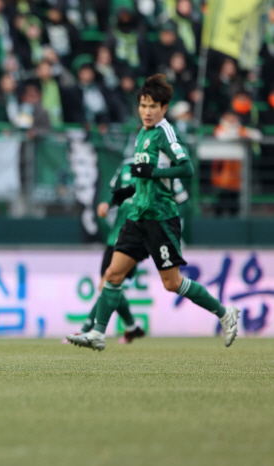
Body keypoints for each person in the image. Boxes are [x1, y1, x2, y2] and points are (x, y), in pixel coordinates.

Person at [67, 74, 240, 351]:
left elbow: (187, 168)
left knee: (172, 283)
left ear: (164, 108)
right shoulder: (142, 135)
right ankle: (98, 334)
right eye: (143, 105)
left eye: (153, 106)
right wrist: (114, 201)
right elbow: (138, 181)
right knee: (112, 274)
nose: (147, 111)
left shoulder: (165, 133)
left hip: (160, 218)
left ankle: (224, 313)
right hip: (137, 217)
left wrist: (156, 172)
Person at [68, 156, 191, 344]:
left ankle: (87, 329)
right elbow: (118, 192)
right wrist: (107, 204)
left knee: (108, 283)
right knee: (110, 283)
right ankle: (132, 327)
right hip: (116, 234)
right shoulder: (126, 165)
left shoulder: (163, 170)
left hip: (138, 236)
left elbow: (183, 202)